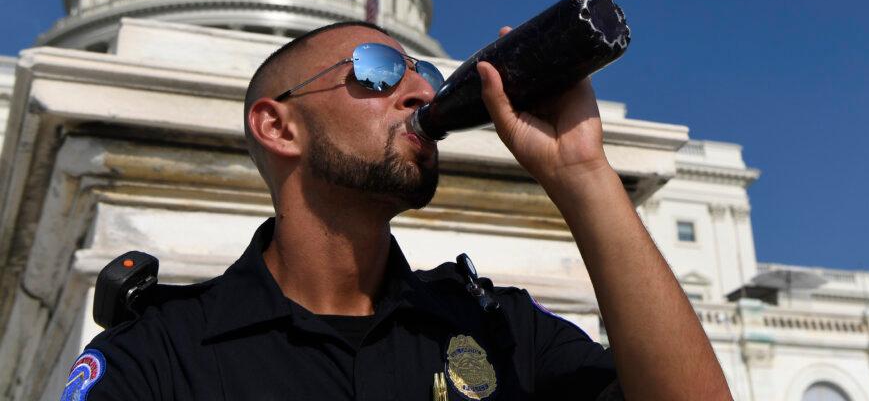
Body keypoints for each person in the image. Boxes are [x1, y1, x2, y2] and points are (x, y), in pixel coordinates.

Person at [60, 21, 732, 401]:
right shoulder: (158, 356)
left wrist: (583, 175)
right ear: (278, 126)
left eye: (426, 77)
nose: (416, 91)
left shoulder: (503, 331)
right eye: (379, 69)